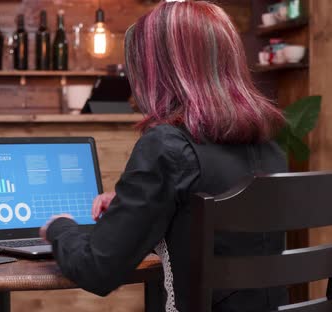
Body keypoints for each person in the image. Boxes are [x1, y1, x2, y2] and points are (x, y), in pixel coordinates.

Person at [39, 2, 289, 311]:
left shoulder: (168, 146)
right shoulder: (271, 149)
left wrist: (59, 227)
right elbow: (196, 215)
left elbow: (97, 270)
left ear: (157, 69)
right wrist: (128, 204)